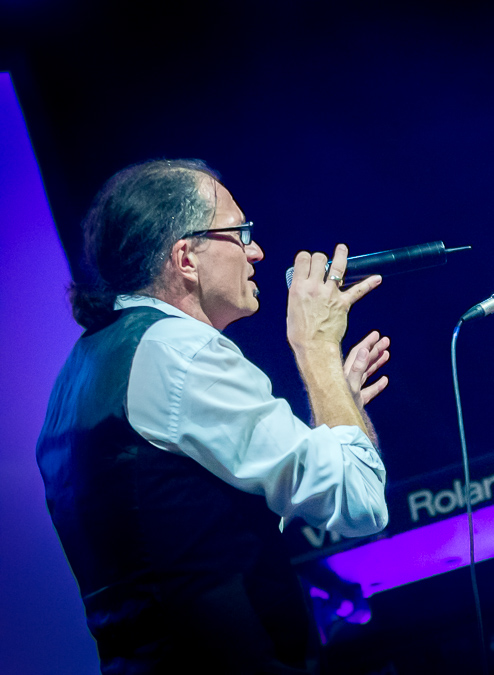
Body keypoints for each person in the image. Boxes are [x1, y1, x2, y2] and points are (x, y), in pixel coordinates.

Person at [36, 159, 391, 674]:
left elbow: (195, 524)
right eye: (240, 232)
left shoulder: (77, 373)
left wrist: (336, 406)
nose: (256, 251)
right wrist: (316, 347)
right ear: (186, 257)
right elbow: (359, 503)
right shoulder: (179, 352)